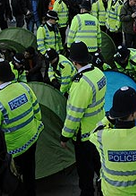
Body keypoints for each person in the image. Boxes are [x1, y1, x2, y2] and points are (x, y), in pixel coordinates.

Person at [90, 86, 136, 196]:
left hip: (110, 193)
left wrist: (109, 118)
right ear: (133, 114)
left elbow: (93, 132)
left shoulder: (102, 136)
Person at [0, 58, 43, 196]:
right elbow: (38, 114)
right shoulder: (25, 87)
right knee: (30, 173)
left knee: (14, 182)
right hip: (32, 139)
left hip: (13, 149)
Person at [60, 41, 107, 196]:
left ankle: (87, 192)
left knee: (84, 170)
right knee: (99, 163)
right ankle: (103, 186)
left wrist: (65, 136)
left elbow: (74, 115)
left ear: (74, 62)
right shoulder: (99, 73)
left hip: (84, 134)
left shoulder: (81, 84)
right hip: (99, 127)